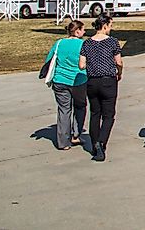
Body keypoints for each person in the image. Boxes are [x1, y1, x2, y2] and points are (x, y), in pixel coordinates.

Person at [79, 14, 123, 161]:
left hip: (92, 82)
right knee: (108, 115)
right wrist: (119, 73)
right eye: (110, 26)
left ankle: (94, 144)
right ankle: (101, 142)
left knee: (95, 113)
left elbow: (81, 65)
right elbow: (119, 62)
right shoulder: (112, 42)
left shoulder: (86, 43)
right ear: (104, 26)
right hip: (108, 81)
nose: (111, 29)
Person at [44, 20, 88, 150]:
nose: (85, 32)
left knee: (64, 110)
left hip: (60, 80)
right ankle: (76, 134)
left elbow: (49, 59)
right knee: (80, 107)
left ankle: (63, 142)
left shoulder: (59, 43)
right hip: (78, 80)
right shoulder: (83, 44)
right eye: (83, 29)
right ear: (77, 31)